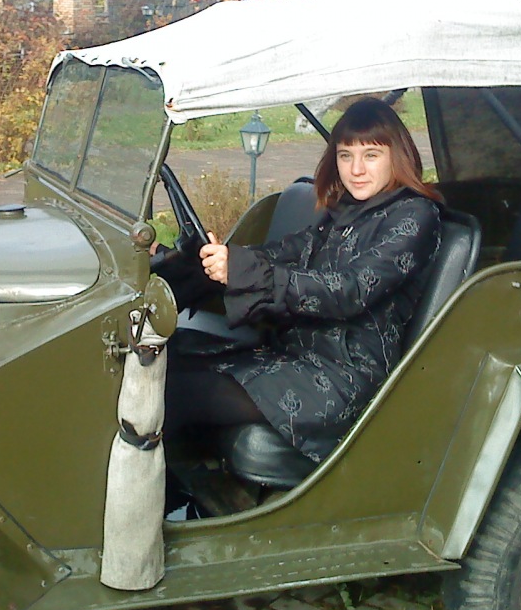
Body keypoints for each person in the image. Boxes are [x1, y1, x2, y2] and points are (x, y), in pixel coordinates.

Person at [165, 97, 444, 463]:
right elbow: (287, 251)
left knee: (176, 393)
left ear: (397, 156)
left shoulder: (415, 216)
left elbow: (349, 289)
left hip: (344, 380)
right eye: (345, 155)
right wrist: (224, 260)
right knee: (164, 363)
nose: (356, 169)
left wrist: (246, 272)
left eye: (371, 155)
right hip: (297, 357)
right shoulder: (346, 210)